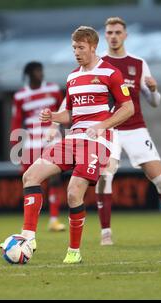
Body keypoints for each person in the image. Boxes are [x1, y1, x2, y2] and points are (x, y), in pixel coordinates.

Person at [13, 26, 134, 264]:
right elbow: (71, 114)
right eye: (74, 48)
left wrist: (101, 126)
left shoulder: (111, 73)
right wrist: (53, 118)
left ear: (92, 47)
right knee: (30, 176)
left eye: (81, 48)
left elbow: (128, 108)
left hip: (98, 141)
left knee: (73, 193)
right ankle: (28, 237)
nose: (77, 52)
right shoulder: (72, 77)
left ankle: (73, 251)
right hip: (73, 138)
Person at [96, 16, 161, 245]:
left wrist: (154, 89)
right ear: (105, 35)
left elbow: (155, 102)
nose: (113, 36)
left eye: (118, 32)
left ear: (125, 35)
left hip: (135, 128)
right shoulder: (99, 64)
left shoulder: (137, 63)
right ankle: (106, 234)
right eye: (109, 32)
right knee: (105, 177)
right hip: (110, 130)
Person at [11, 62, 66, 232]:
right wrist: (16, 147)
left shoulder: (53, 89)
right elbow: (16, 122)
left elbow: (63, 112)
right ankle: (29, 222)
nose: (40, 73)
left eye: (41, 70)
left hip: (52, 139)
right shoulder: (20, 96)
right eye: (37, 71)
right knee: (31, 181)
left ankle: (54, 219)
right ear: (29, 74)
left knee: (54, 179)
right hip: (31, 143)